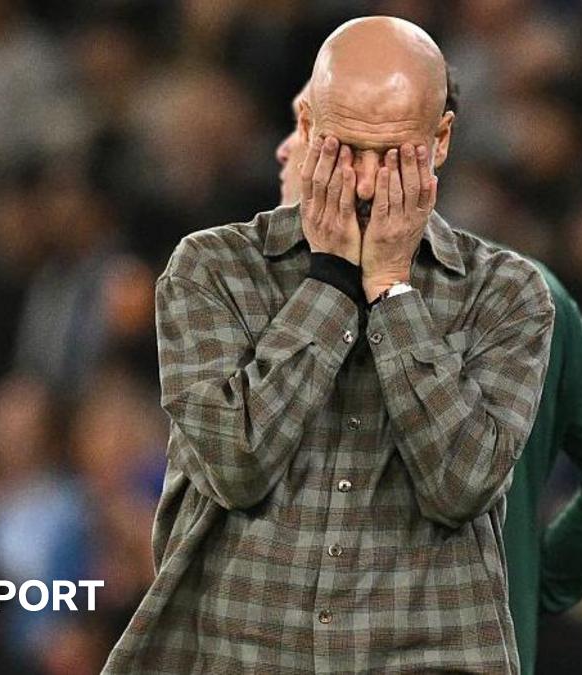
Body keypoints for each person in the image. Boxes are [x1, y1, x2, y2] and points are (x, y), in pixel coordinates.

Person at [105, 16, 555, 673]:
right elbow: (235, 465)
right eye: (347, 149)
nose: (366, 184)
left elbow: (461, 486)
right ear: (308, 126)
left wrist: (392, 291)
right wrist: (332, 283)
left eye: (393, 154)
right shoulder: (211, 269)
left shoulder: (507, 293)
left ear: (441, 141)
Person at [275, 67, 582, 675]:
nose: (285, 149)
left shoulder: (290, 309)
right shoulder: (539, 297)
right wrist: (518, 594)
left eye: (306, 126)